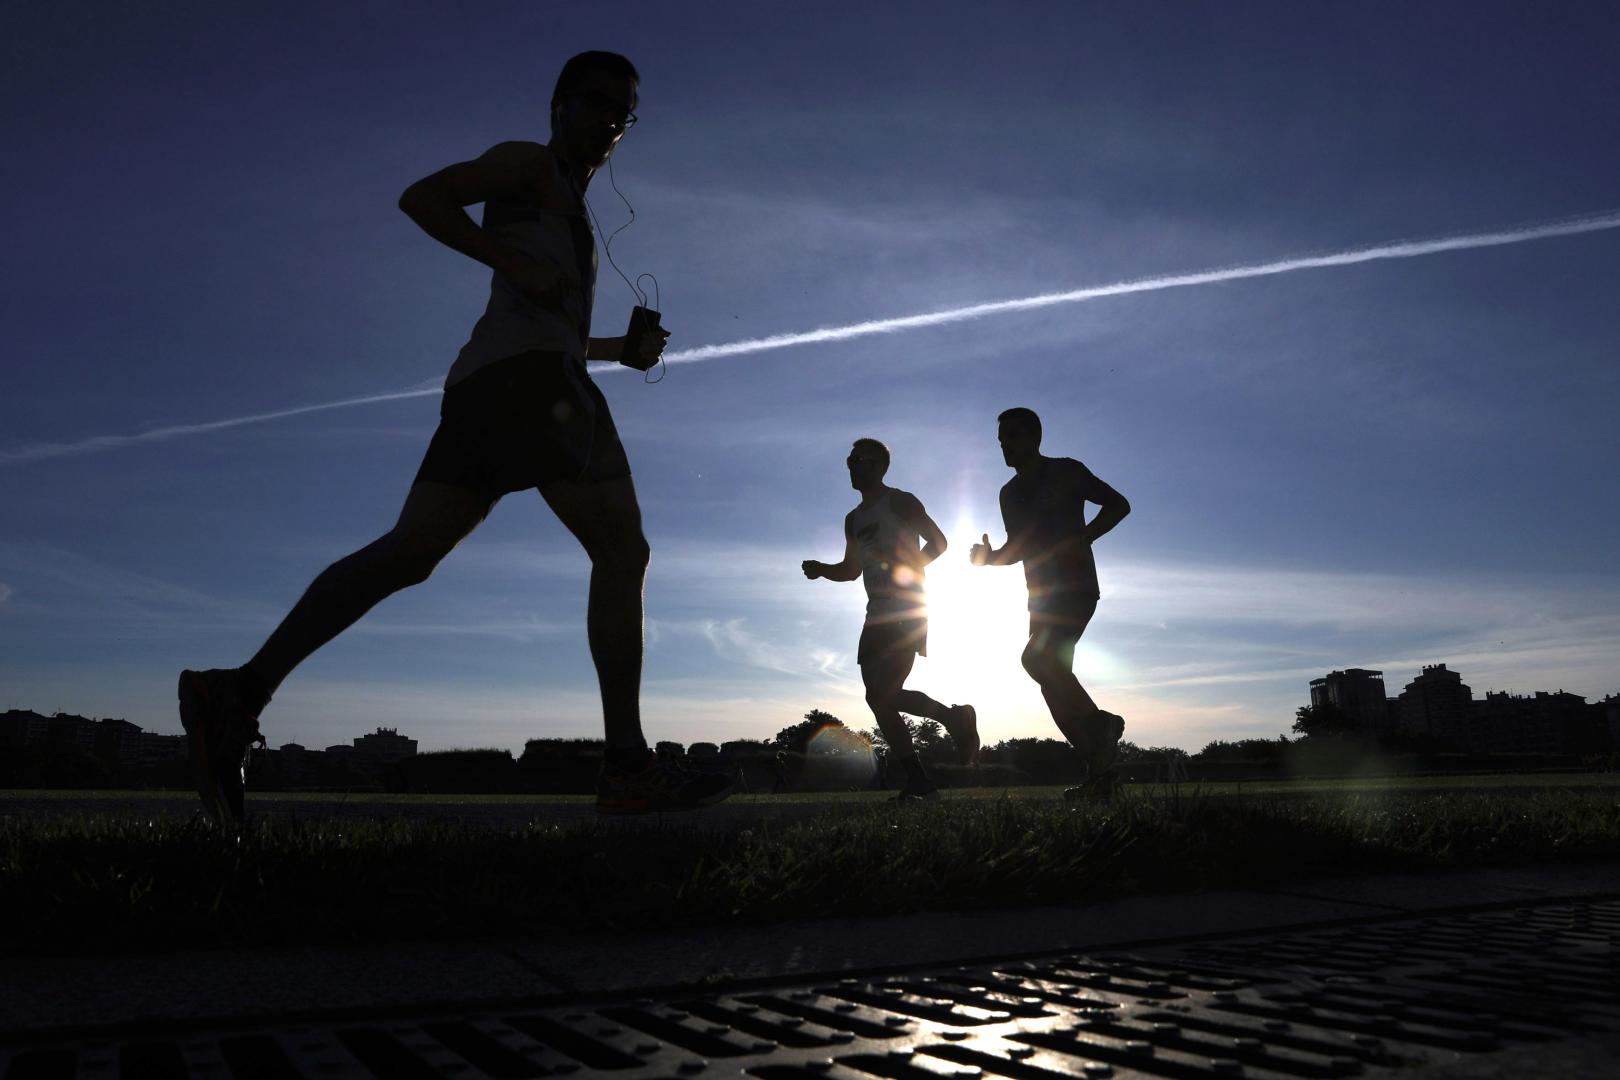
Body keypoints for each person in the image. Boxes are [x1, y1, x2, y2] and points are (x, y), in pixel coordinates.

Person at [178, 51, 732, 823]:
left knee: (411, 553)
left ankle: (236, 692)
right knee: (621, 549)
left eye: (624, 111)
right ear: (560, 105)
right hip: (532, 383)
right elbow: (424, 198)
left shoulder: (566, 201)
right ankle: (627, 766)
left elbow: (545, 316)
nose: (610, 121)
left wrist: (616, 351)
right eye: (597, 103)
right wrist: (510, 261)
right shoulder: (528, 165)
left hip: (503, 379)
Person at [802, 438, 979, 800]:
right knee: (878, 698)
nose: (852, 466)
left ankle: (946, 728)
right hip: (875, 613)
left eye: (861, 460)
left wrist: (909, 568)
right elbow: (851, 570)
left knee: (884, 694)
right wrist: (823, 570)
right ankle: (923, 773)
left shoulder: (900, 501)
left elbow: (939, 542)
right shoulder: (853, 520)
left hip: (907, 606)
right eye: (849, 460)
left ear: (881, 466)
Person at [970, 408, 1130, 800]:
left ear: (1035, 437)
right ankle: (1101, 778)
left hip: (1075, 585)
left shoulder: (1067, 471)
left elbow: (1118, 504)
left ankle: (1101, 723)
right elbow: (1016, 549)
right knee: (1051, 687)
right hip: (1039, 596)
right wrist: (990, 558)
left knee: (1035, 661)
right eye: (1001, 439)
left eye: (1013, 436)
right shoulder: (1008, 493)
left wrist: (1086, 536)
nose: (1005, 444)